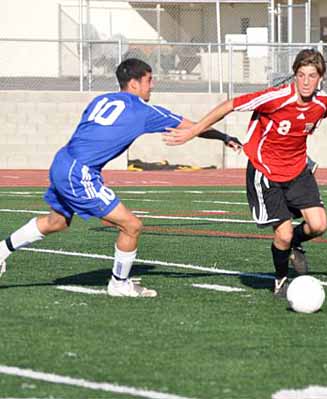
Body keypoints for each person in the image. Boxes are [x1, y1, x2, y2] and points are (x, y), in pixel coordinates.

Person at [0, 58, 241, 296]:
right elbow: (194, 127)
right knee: (132, 225)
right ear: (134, 84)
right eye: (148, 80)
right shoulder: (142, 110)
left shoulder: (101, 99)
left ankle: (1, 251)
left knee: (57, 222)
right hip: (80, 172)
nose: (152, 86)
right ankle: (119, 283)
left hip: (63, 161)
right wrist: (224, 137)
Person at [163, 49, 327, 297]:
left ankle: (296, 244)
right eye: (301, 75)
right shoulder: (275, 98)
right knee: (283, 233)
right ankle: (280, 279)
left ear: (320, 78)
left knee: (319, 225)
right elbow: (229, 105)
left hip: (298, 170)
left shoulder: (322, 102)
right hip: (266, 172)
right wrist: (193, 131)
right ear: (294, 75)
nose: (305, 81)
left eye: (311, 76)